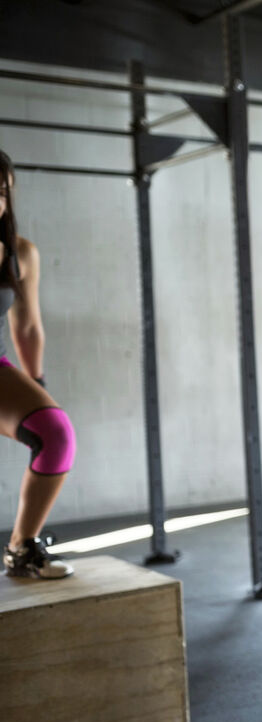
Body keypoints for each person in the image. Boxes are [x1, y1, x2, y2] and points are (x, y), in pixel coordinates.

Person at [0, 150, 77, 579]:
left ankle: (21, 547)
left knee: (55, 431)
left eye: (1, 193)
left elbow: (27, 326)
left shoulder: (19, 253)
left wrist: (37, 383)